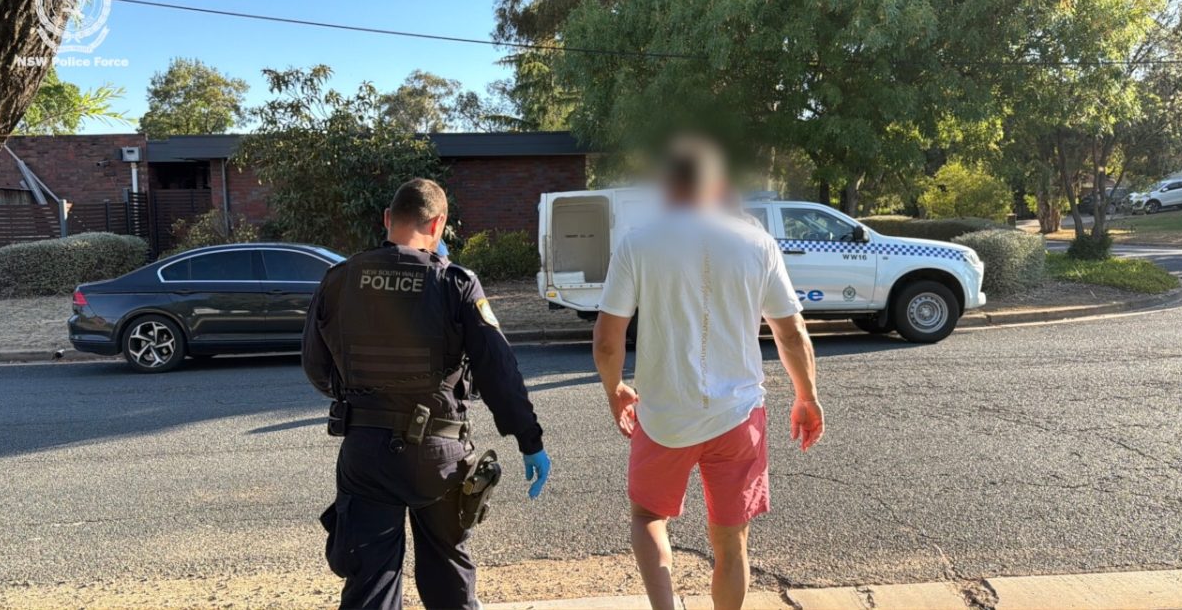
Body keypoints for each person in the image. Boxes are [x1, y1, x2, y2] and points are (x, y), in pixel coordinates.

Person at [592, 139, 823, 610]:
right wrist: (807, 395)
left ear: (665, 185)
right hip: (738, 416)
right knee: (731, 544)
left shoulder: (638, 242)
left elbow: (607, 341)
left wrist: (615, 390)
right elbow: (792, 331)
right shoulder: (757, 242)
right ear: (717, 185)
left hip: (662, 417)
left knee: (647, 517)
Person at [303, 177, 552, 610]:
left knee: (370, 587)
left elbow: (316, 367)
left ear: (387, 219)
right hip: (439, 454)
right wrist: (529, 440)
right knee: (449, 579)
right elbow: (499, 370)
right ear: (438, 224)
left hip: (366, 451)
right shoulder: (455, 282)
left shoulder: (338, 279)